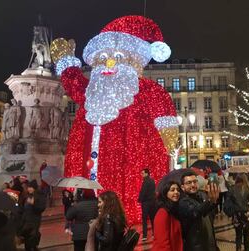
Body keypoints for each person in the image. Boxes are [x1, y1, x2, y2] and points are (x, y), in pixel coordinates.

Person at [52, 16, 179, 224]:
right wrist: (65, 60)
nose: (109, 62)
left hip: (129, 162)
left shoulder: (147, 90)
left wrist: (167, 130)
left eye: (118, 56)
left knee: (125, 196)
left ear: (136, 61)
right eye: (102, 57)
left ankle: (125, 213)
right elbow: (73, 81)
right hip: (87, 165)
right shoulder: (91, 90)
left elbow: (162, 106)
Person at [178, 170, 220, 251]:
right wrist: (209, 200)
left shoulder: (200, 197)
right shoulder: (183, 202)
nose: (193, 185)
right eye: (189, 183)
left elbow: (207, 213)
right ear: (183, 187)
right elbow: (196, 211)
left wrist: (214, 200)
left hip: (208, 245)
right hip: (196, 247)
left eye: (195, 181)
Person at [229, 174, 249, 251]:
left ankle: (238, 249)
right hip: (246, 215)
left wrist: (230, 214)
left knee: (238, 235)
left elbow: (228, 203)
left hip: (236, 215)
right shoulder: (247, 189)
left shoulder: (232, 189)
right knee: (246, 235)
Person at [152, 181, 183, 251]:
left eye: (178, 190)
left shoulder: (174, 210)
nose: (176, 192)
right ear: (165, 193)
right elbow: (162, 243)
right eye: (172, 190)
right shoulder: (163, 212)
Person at [19, 180, 46, 251]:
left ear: (34, 188)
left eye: (31, 187)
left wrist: (33, 204)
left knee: (32, 238)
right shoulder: (27, 196)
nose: (29, 189)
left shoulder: (39, 195)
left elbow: (41, 208)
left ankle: (33, 247)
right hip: (26, 221)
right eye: (28, 187)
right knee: (27, 239)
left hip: (34, 221)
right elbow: (23, 209)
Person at [138, 168, 156, 241]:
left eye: (142, 173)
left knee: (144, 219)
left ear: (146, 173)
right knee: (152, 218)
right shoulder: (152, 181)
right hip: (153, 202)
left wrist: (139, 199)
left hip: (146, 203)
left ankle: (145, 235)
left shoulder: (145, 181)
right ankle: (154, 234)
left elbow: (143, 192)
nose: (141, 175)